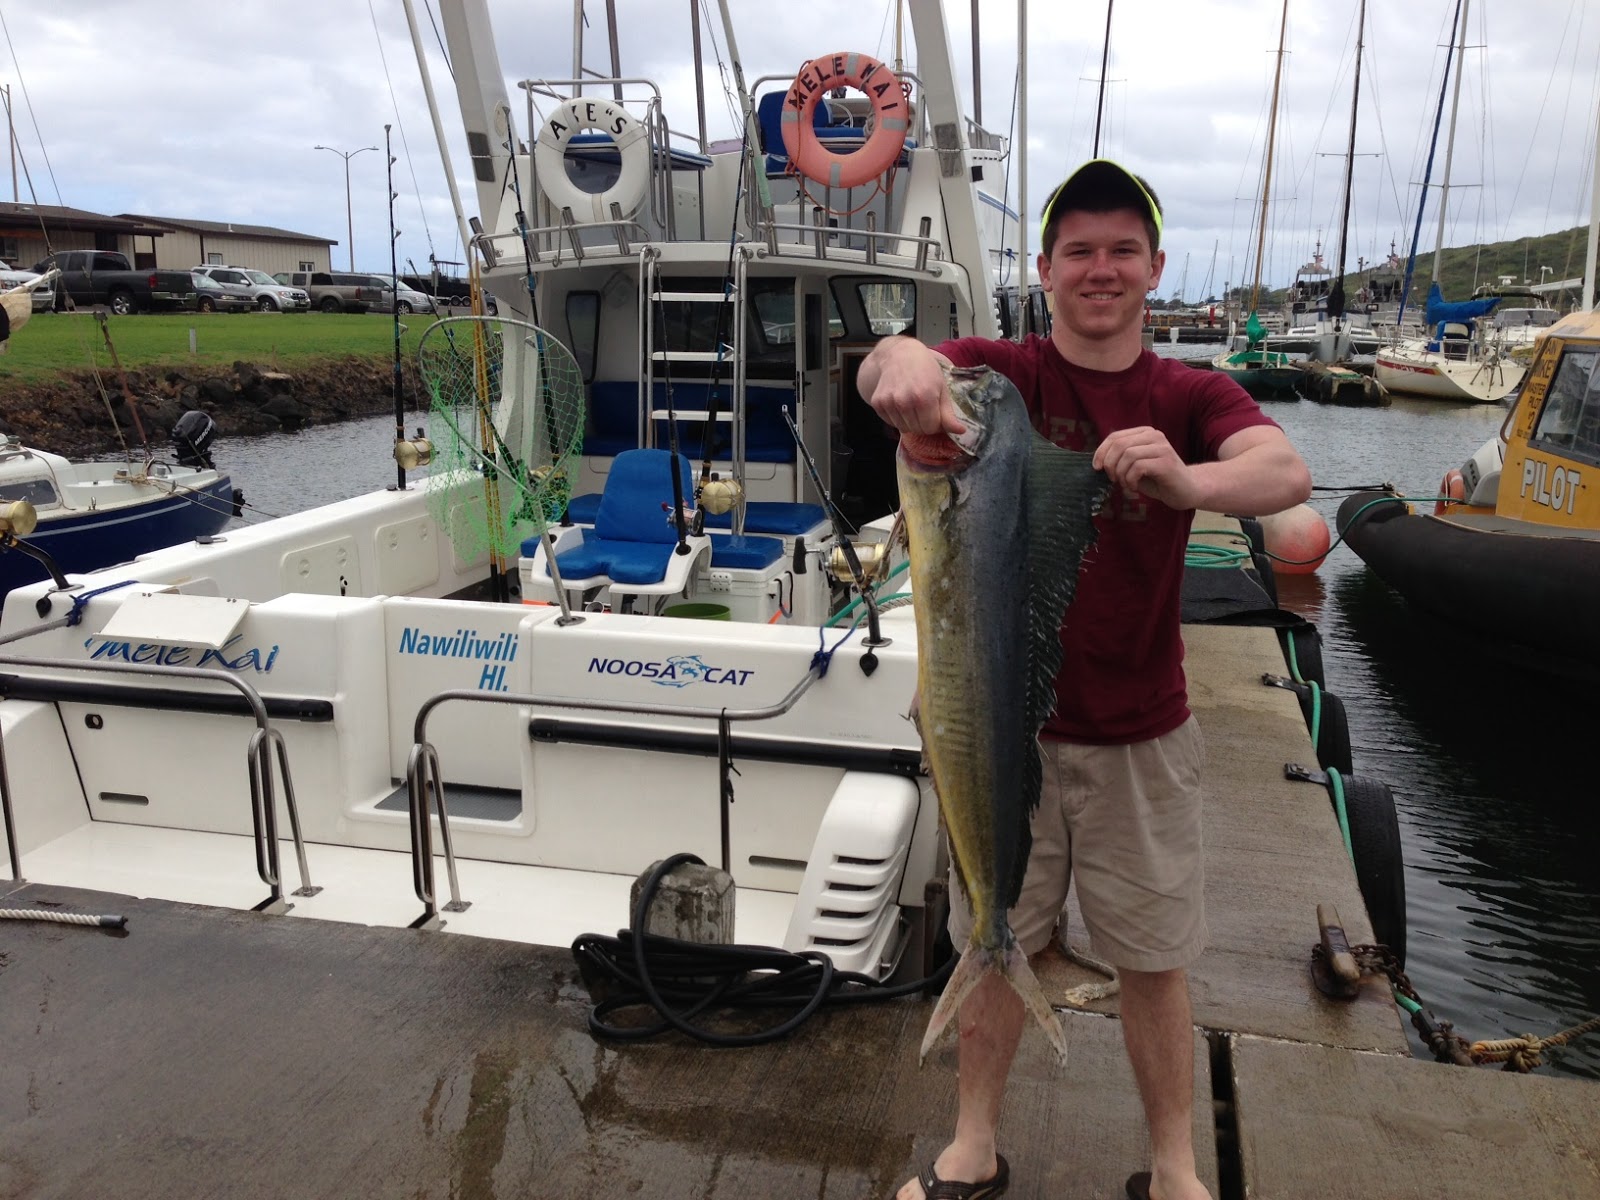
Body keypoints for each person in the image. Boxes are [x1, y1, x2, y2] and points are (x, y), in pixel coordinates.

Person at [860, 159, 1313, 1200]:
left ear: (1154, 268)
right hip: (998, 732)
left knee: (1153, 959)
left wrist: (1188, 481)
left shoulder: (1188, 391)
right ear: (1046, 268)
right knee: (995, 932)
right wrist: (896, 368)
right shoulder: (993, 378)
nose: (1099, 270)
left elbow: (1282, 474)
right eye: (1079, 251)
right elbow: (899, 360)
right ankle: (971, 1142)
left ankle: (1173, 1167)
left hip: (1138, 736)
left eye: (1120, 251)